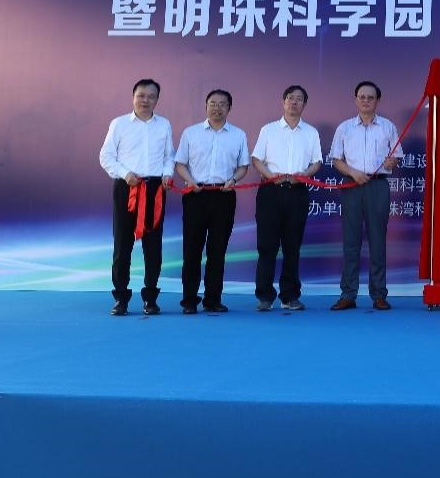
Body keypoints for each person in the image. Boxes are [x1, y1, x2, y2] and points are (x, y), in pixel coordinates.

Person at [99, 79, 174, 316]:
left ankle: (150, 298)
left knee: (153, 247)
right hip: (127, 188)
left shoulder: (164, 125)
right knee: (122, 245)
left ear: (157, 100)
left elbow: (169, 156)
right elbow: (106, 156)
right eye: (141, 95)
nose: (145, 100)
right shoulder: (119, 124)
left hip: (154, 190)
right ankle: (120, 298)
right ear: (133, 97)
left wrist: (168, 174)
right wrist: (125, 174)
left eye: (151, 96)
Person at [328, 81, 403, 312]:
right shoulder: (345, 128)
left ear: (377, 101)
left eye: (371, 97)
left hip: (377, 185)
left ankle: (379, 294)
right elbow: (336, 159)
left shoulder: (388, 127)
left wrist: (392, 162)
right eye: (362, 97)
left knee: (377, 241)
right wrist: (353, 173)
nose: (366, 101)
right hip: (351, 185)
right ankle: (348, 294)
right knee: (351, 242)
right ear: (356, 100)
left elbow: (396, 156)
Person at [173, 89, 250, 315]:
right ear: (206, 106)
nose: (217, 108)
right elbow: (180, 164)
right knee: (192, 250)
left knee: (217, 251)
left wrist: (233, 180)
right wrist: (190, 181)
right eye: (213, 103)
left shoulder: (238, 135)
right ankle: (189, 300)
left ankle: (213, 299)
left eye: (222, 104)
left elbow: (243, 166)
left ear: (229, 108)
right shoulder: (191, 133)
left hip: (224, 196)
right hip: (195, 195)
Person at [249, 85, 322, 311]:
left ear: (304, 104)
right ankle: (264, 296)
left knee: (292, 246)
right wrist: (271, 176)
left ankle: (289, 296)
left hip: (297, 192)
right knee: (267, 246)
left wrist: (304, 175)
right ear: (283, 102)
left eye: (299, 99)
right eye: (290, 98)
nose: (294, 102)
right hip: (270, 191)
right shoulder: (268, 130)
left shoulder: (311, 132)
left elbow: (317, 162)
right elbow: (257, 159)